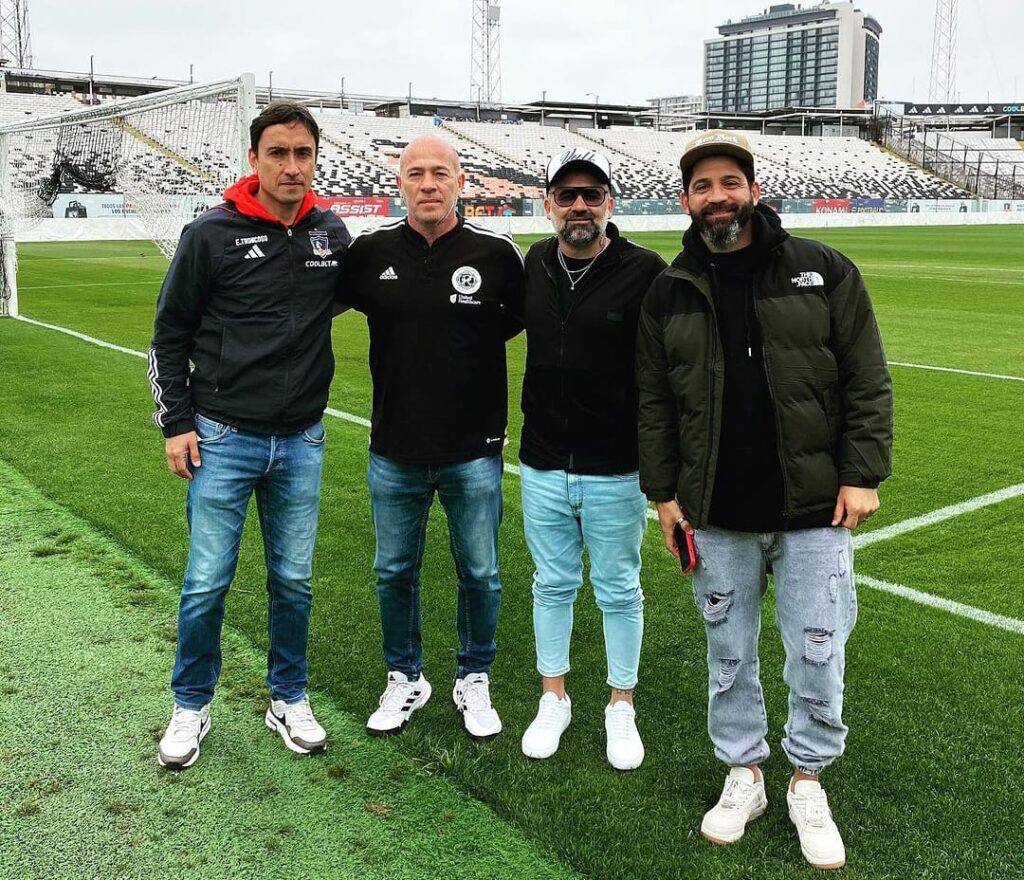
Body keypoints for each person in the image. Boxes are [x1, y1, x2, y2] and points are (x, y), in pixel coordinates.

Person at [636, 131, 892, 869]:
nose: (718, 196)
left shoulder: (822, 269)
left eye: (730, 182)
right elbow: (654, 403)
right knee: (728, 655)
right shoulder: (670, 289)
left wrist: (862, 472)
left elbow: (866, 378)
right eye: (703, 186)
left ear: (752, 189)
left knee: (817, 652)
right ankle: (743, 772)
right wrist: (663, 496)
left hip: (815, 509)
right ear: (686, 201)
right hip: (715, 512)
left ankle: (807, 777)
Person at [149, 102, 350, 769]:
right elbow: (169, 334)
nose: (292, 166)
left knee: (293, 580)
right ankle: (190, 703)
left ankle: (287, 697)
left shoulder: (331, 234)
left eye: (303, 154)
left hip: (301, 441)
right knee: (207, 581)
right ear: (254, 159)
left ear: (316, 159)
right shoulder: (209, 234)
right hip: (223, 437)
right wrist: (176, 424)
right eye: (278, 154)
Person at [338, 134, 524, 740]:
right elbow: (309, 307)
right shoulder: (369, 254)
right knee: (394, 570)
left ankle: (474, 677)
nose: (427, 184)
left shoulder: (497, 255)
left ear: (460, 180)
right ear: (400, 182)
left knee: (481, 572)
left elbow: (520, 325)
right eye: (415, 173)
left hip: (475, 450)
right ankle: (405, 677)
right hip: (394, 448)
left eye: (439, 173)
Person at [517, 149, 666, 770]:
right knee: (551, 584)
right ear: (549, 204)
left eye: (593, 194)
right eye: (567, 194)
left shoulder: (644, 269)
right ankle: (554, 697)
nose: (580, 205)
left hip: (616, 466)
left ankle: (620, 703)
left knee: (618, 589)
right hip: (542, 462)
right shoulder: (534, 261)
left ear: (611, 202)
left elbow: (666, 367)